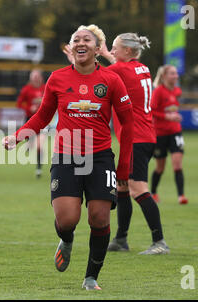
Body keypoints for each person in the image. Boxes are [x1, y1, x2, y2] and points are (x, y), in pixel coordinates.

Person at [3, 25, 134, 290]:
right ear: (71, 47)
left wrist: (123, 170)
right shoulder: (57, 78)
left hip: (99, 158)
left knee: (99, 218)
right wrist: (17, 137)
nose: (80, 42)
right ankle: (66, 239)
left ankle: (90, 278)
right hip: (66, 156)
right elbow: (42, 116)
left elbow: (128, 125)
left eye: (87, 39)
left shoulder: (111, 80)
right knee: (67, 220)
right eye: (76, 39)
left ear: (98, 49)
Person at [64, 33, 170, 255]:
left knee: (137, 188)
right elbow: (117, 67)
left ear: (128, 51)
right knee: (121, 186)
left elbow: (94, 74)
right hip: (145, 135)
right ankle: (121, 239)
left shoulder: (121, 70)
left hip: (137, 138)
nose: (111, 52)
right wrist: (102, 53)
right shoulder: (141, 68)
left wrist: (76, 61)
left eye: (114, 48)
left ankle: (159, 242)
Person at [150, 65, 188, 205]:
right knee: (160, 167)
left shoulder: (177, 91)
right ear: (165, 76)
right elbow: (151, 111)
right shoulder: (159, 92)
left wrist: (174, 117)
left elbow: (173, 108)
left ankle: (181, 196)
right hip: (160, 134)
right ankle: (153, 192)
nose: (176, 76)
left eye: (176, 73)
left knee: (177, 164)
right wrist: (168, 117)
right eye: (172, 73)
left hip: (175, 132)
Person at [16, 69, 46, 178]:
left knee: (40, 145)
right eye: (33, 76)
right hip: (29, 120)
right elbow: (19, 104)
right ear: (30, 78)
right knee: (32, 143)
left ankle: (38, 169)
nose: (35, 78)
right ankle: (29, 144)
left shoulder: (45, 88)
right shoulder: (26, 90)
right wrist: (29, 108)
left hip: (43, 120)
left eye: (37, 76)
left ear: (40, 77)